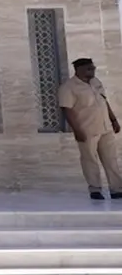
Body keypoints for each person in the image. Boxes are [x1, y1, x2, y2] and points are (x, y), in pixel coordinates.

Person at [57, 58, 122, 200]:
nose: (92, 71)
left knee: (111, 159)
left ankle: (116, 189)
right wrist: (77, 130)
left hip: (105, 127)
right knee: (89, 159)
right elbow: (67, 110)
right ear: (78, 70)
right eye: (89, 69)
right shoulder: (68, 87)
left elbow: (104, 101)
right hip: (87, 130)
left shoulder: (95, 82)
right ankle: (95, 189)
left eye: (93, 68)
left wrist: (113, 120)